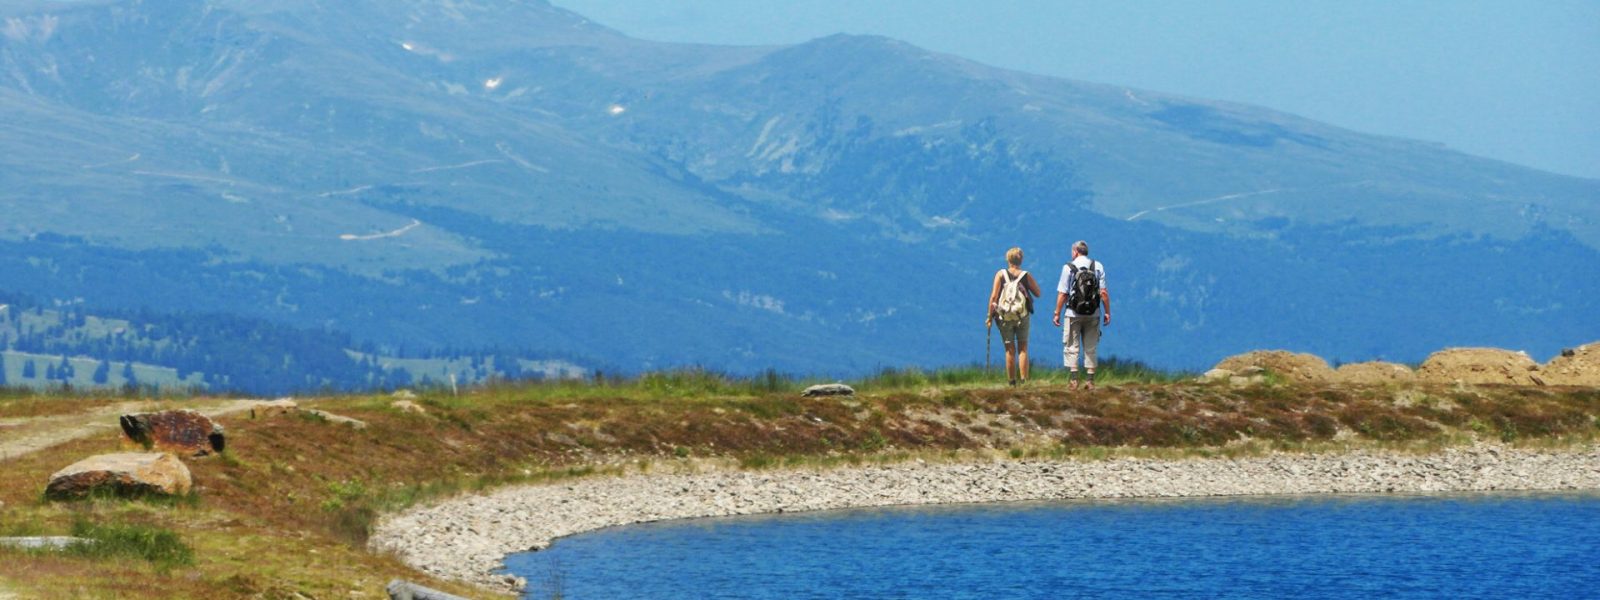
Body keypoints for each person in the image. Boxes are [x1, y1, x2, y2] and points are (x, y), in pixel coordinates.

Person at [1053, 240, 1111, 390]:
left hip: (1073, 312)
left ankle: (1074, 379)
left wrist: (1057, 312)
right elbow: (1103, 293)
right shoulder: (1098, 266)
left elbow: (1063, 293)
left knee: (1072, 345)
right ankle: (1090, 379)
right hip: (1093, 312)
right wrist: (1107, 312)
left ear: (1075, 252)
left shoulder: (1068, 268)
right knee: (1091, 345)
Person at [988, 247, 1042, 386]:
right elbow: (1038, 293)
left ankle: (1011, 381)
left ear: (1008, 259)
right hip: (1022, 316)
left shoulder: (1000, 274)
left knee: (1009, 349)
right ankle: (1024, 380)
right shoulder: (1025, 275)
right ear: (1021, 260)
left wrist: (989, 316)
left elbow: (994, 297)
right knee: (1023, 348)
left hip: (1004, 316)